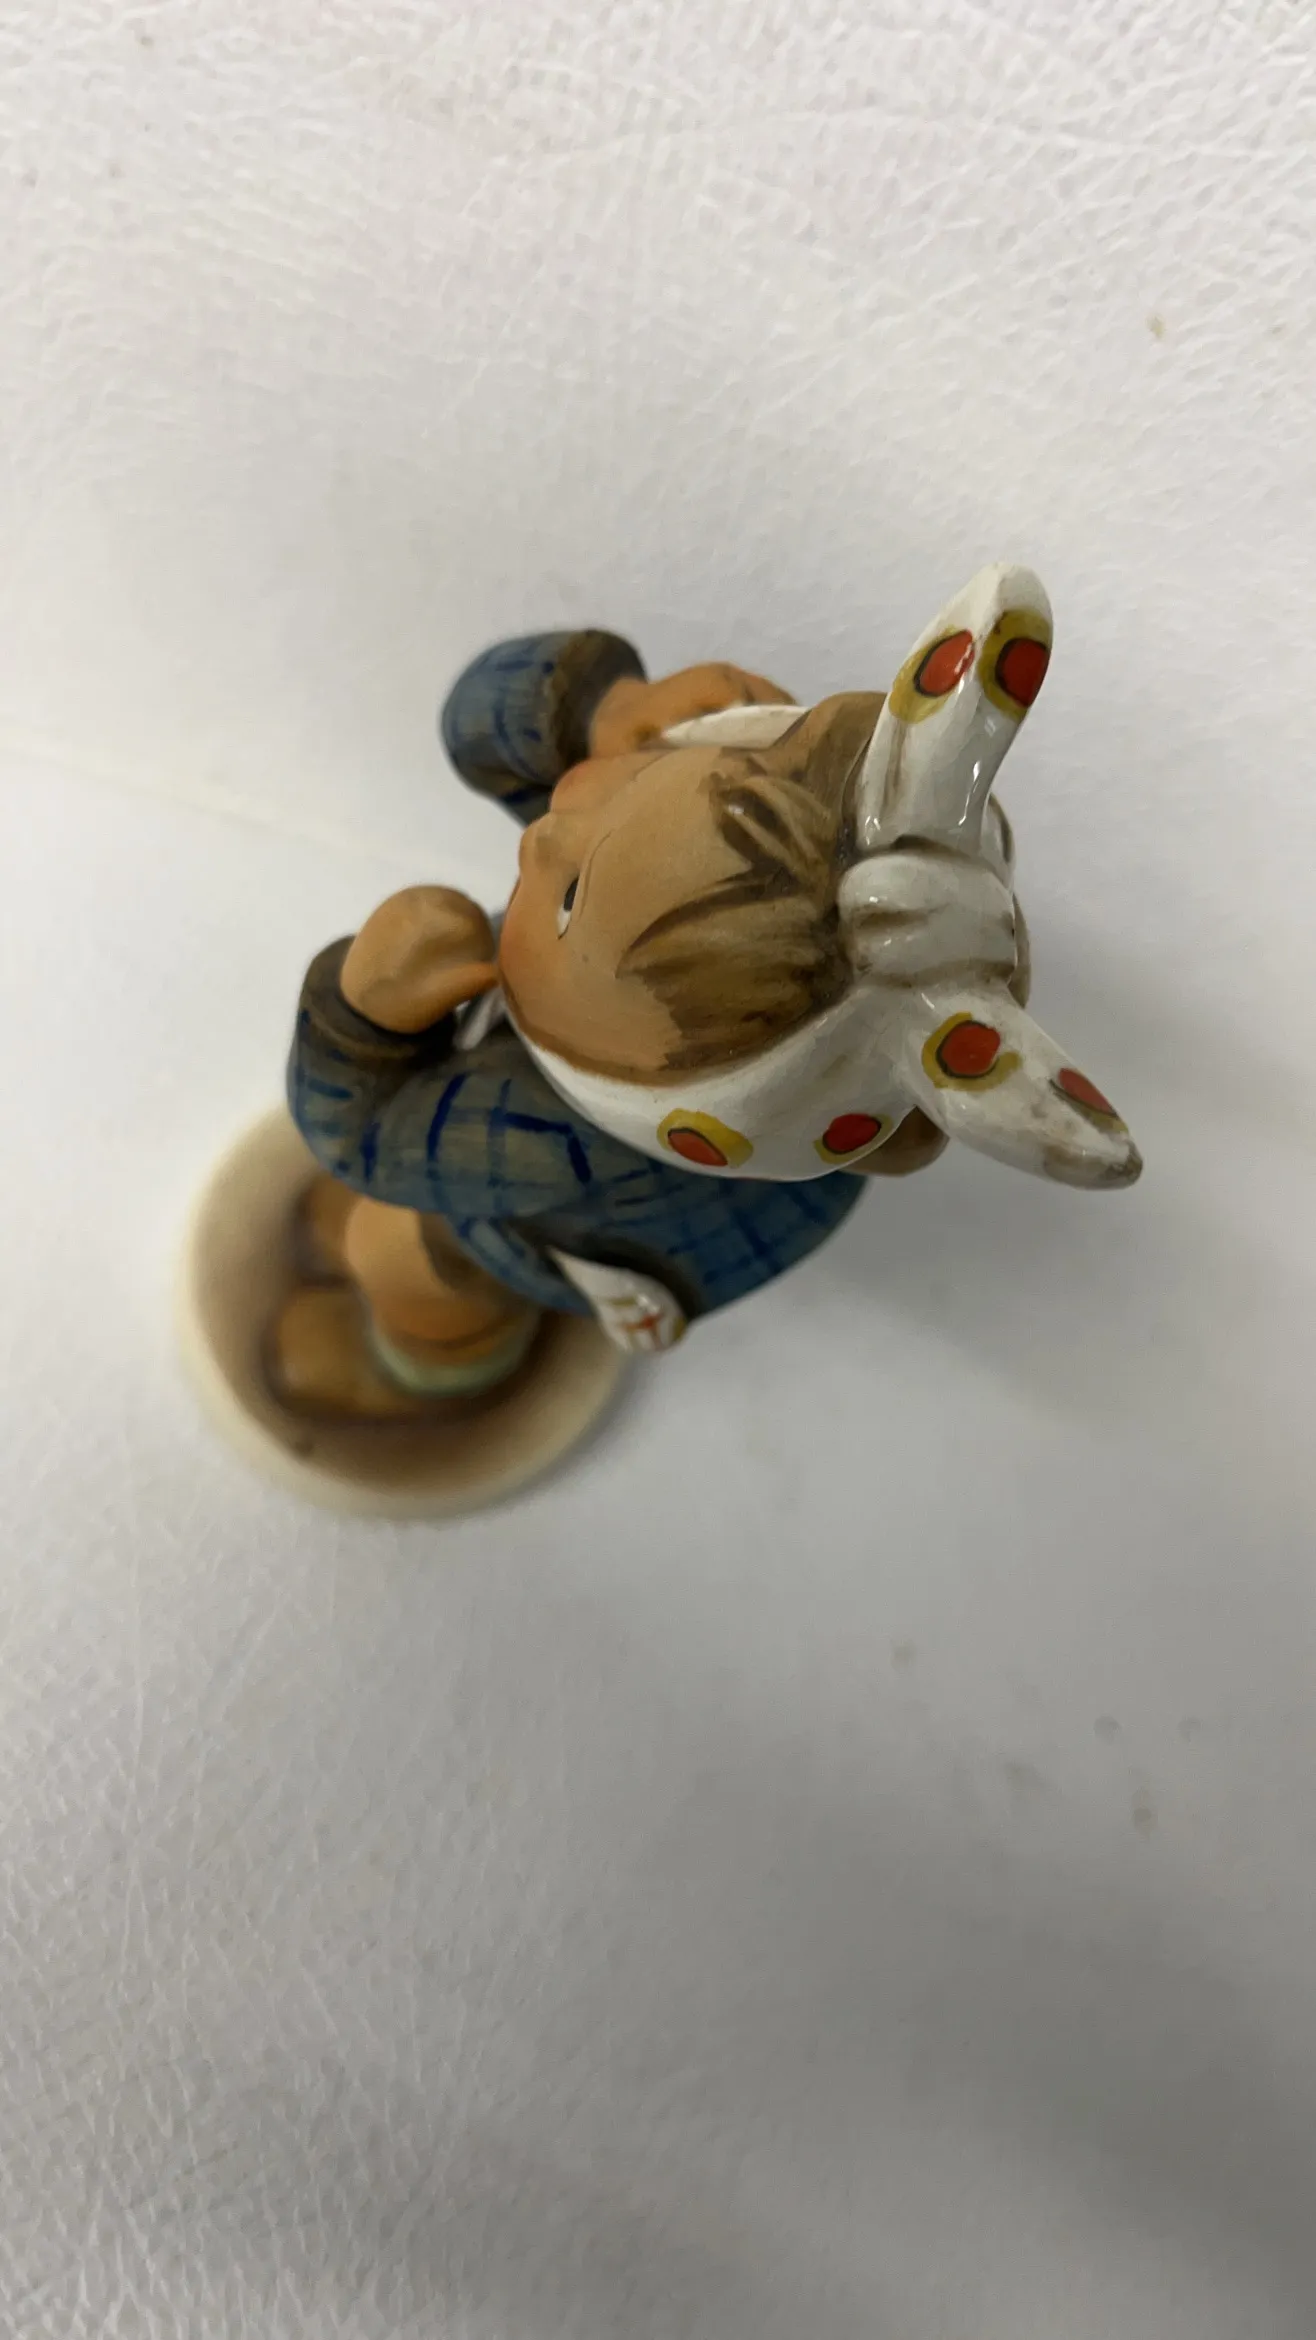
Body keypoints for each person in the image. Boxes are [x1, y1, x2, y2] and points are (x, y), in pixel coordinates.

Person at [275, 632, 948, 1417]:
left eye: (571, 895)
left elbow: (361, 1137)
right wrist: (601, 712)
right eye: (646, 772)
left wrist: (362, 1017)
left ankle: (440, 1354)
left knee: (391, 1249)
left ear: (629, 1074)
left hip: (603, 1232)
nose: (553, 822)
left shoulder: (553, 1135)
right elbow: (475, 736)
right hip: (768, 1157)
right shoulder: (656, 903)